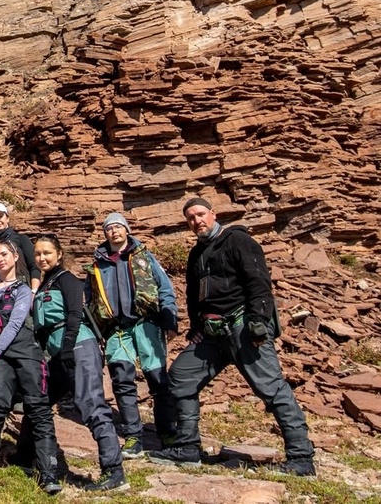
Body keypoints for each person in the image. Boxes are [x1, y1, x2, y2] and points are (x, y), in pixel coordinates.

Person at [149, 197, 316, 476]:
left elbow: (258, 282)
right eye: (190, 218)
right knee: (180, 376)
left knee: (271, 387)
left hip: (243, 328)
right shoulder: (196, 254)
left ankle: (301, 458)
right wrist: (196, 328)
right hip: (212, 336)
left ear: (213, 214)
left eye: (201, 214)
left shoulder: (238, 241)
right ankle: (187, 447)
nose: (196, 221)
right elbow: (194, 296)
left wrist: (259, 321)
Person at [33, 235, 128, 492]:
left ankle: (114, 471)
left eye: (47, 253)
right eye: (38, 253)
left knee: (91, 404)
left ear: (59, 254)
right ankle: (29, 457)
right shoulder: (44, 284)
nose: (42, 257)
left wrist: (67, 346)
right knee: (38, 402)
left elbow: (75, 313)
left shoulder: (67, 280)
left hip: (79, 347)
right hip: (58, 354)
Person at [0, 238, 62, 495]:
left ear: (15, 258)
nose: (0, 259)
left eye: (4, 254)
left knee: (38, 408)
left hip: (24, 352)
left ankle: (48, 473)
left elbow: (14, 325)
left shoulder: (23, 290)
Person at [88, 212, 178, 457]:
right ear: (105, 233)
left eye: (118, 227)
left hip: (146, 324)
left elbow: (165, 289)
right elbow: (90, 300)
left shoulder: (144, 256)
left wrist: (170, 321)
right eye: (109, 228)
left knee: (158, 379)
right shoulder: (97, 264)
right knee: (122, 381)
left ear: (126, 230)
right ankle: (133, 437)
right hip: (116, 330)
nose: (114, 231)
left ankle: (168, 432)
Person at [0, 202, 40, 294]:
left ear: (7, 218)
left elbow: (34, 266)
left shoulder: (21, 239)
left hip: (23, 291)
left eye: (0, 216)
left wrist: (34, 291)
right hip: (0, 294)